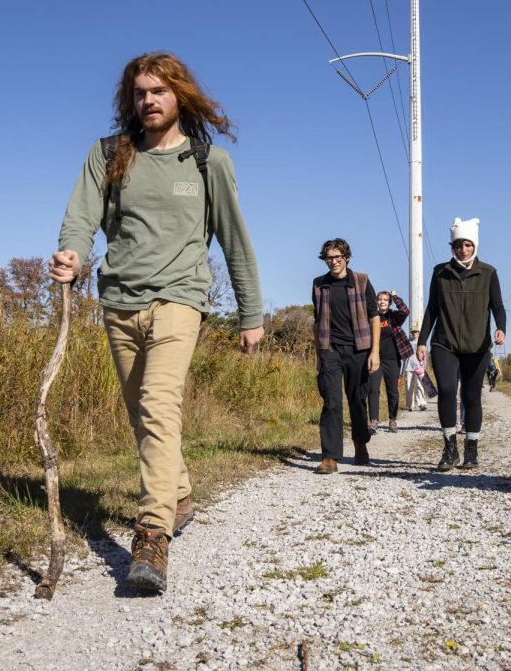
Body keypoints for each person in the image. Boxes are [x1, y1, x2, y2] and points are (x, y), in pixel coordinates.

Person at [50, 52, 263, 592]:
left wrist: (250, 312)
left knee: (158, 403)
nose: (149, 100)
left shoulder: (207, 161)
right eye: (141, 92)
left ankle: (152, 537)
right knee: (141, 416)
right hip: (119, 301)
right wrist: (72, 254)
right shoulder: (110, 154)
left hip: (180, 299)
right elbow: (81, 217)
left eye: (159, 91)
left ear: (180, 96)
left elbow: (236, 239)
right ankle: (180, 493)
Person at [416, 218, 506, 471]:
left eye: (467, 245)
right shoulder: (440, 273)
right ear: (452, 247)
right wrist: (422, 341)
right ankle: (449, 448)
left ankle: (471, 451)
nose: (463, 249)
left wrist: (501, 327)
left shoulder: (488, 273)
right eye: (458, 245)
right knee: (446, 391)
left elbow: (497, 305)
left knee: (471, 397)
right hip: (444, 344)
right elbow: (432, 309)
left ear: (474, 245)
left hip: (477, 347)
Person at [312, 239, 380, 474]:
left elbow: (374, 317)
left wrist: (375, 352)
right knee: (331, 401)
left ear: (346, 258)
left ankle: (360, 444)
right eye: (329, 258)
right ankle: (330, 457)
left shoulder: (360, 280)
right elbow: (317, 320)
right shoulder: (319, 285)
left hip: (358, 349)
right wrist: (318, 354)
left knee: (357, 400)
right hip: (330, 349)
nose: (334, 262)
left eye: (338, 257)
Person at [368, 290, 412, 432]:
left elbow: (405, 311)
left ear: (389, 302)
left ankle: (392, 420)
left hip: (392, 359)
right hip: (376, 359)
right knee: (373, 389)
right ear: (376, 301)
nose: (382, 302)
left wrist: (395, 297)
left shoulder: (393, 317)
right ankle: (373, 421)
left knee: (392, 391)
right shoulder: (372, 317)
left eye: (386, 300)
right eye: (380, 299)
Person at [404, 329, 431, 412]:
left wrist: (425, 365)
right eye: (412, 332)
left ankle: (422, 404)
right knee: (409, 386)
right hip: (408, 366)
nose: (414, 333)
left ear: (419, 333)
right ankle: (410, 405)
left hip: (419, 366)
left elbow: (424, 355)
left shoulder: (421, 342)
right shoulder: (407, 342)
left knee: (420, 385)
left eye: (416, 332)